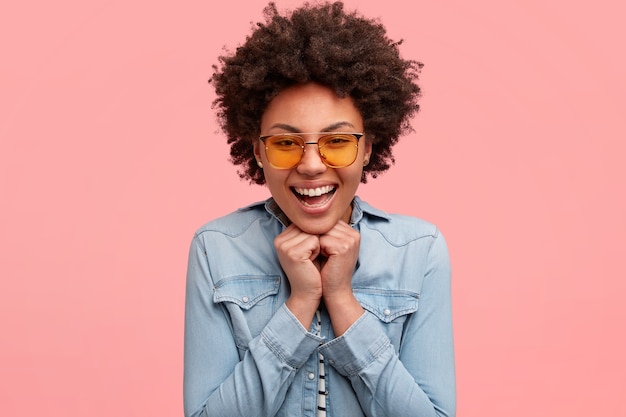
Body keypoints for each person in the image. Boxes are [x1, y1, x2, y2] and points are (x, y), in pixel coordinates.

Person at [183, 2, 455, 416]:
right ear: (258, 151)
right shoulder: (216, 249)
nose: (311, 165)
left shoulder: (418, 250)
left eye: (338, 142)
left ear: (367, 149)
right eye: (286, 143)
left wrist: (342, 299)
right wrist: (301, 303)